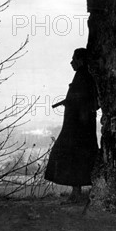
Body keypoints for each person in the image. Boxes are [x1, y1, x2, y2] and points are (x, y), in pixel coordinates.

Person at [45, 48, 99, 202]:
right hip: (79, 126)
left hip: (78, 127)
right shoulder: (84, 76)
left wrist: (71, 104)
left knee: (73, 156)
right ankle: (77, 192)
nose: (71, 62)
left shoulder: (83, 76)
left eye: (73, 59)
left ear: (80, 60)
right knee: (76, 157)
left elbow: (84, 100)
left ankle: (76, 193)